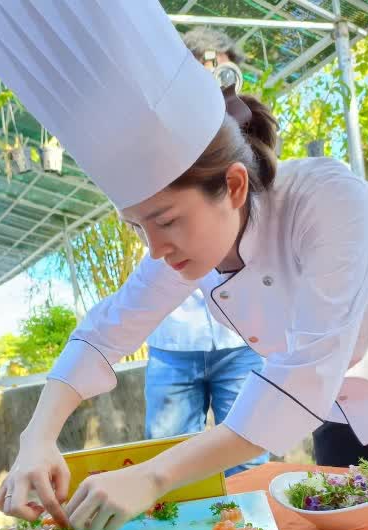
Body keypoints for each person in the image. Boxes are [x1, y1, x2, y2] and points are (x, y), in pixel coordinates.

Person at [0, 0, 368, 530]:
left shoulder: (328, 202)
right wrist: (37, 437)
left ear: (233, 186)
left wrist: (154, 477)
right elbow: (108, 329)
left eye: (165, 221)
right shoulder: (192, 242)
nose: (157, 249)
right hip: (340, 393)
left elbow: (301, 373)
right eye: (140, 228)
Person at [145, 27, 267, 476]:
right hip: (174, 338)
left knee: (249, 460)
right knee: (168, 461)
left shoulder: (251, 142)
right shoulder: (150, 148)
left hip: (242, 340)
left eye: (221, 77)